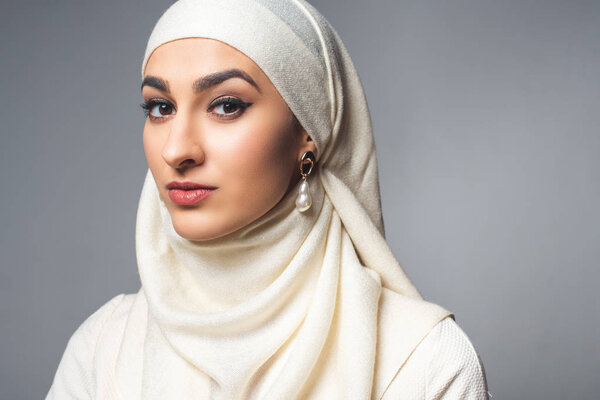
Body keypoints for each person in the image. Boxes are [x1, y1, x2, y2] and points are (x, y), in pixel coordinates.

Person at [46, 0, 489, 399]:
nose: (176, 150)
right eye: (160, 107)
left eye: (226, 105)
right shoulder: (102, 346)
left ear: (308, 131)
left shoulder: (424, 362)